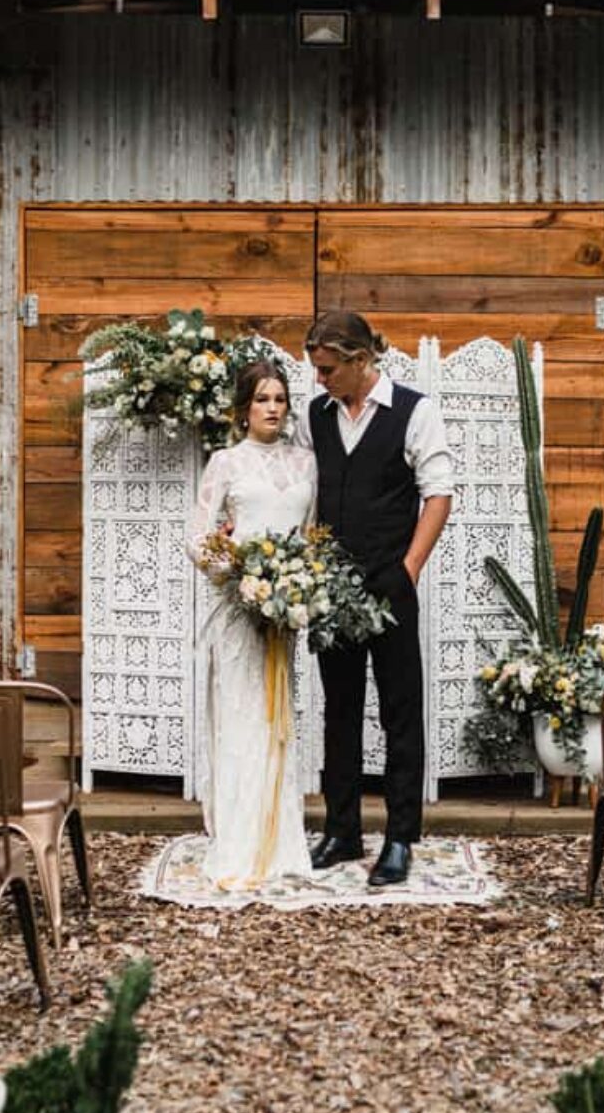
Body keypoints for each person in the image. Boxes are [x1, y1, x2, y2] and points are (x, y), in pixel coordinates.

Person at [294, 311, 453, 886]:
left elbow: (438, 495)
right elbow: (307, 491)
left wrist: (408, 570)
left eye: (328, 369)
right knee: (339, 712)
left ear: (361, 361)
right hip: (332, 590)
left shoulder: (415, 411)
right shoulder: (317, 414)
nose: (319, 380)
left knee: (399, 713)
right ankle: (341, 832)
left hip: (390, 587)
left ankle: (399, 839)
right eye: (317, 369)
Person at [184, 361, 317, 890]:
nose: (273, 408)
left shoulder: (307, 464)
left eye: (280, 399)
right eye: (262, 398)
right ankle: (240, 842)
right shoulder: (225, 462)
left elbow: (310, 536)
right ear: (244, 409)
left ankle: (281, 840)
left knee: (279, 720)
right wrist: (238, 574)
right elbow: (196, 537)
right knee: (244, 718)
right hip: (238, 610)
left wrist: (300, 584)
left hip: (285, 612)